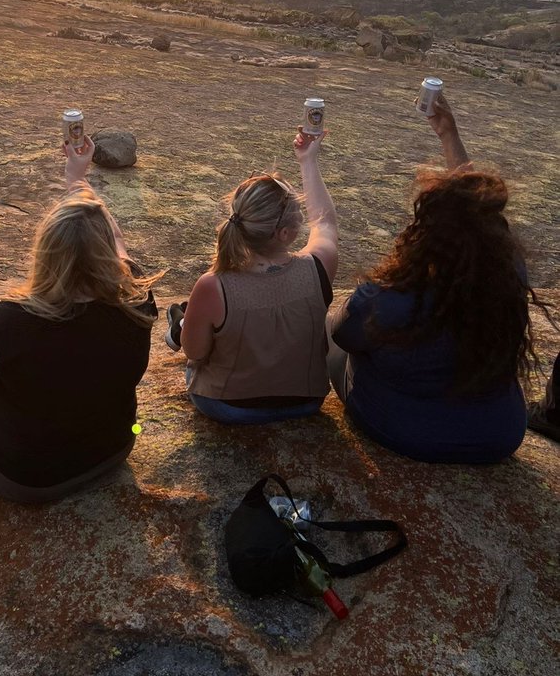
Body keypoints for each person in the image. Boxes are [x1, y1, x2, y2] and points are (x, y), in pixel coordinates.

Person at [0, 138, 157, 503]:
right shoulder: (136, 297)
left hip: (26, 478)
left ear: (44, 253)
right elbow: (116, 239)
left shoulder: (12, 320)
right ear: (109, 254)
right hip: (113, 450)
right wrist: (77, 179)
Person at [326, 94, 545, 463]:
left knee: (330, 329)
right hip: (498, 437)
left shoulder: (388, 297)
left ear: (423, 235)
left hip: (406, 433)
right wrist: (448, 135)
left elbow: (342, 335)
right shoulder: (507, 273)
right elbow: (479, 213)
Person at [166, 130, 338, 425]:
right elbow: (324, 220)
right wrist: (308, 161)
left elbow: (195, 353)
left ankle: (181, 323)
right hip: (305, 402)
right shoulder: (318, 266)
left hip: (228, 406)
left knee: (192, 336)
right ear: (285, 234)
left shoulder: (213, 285)